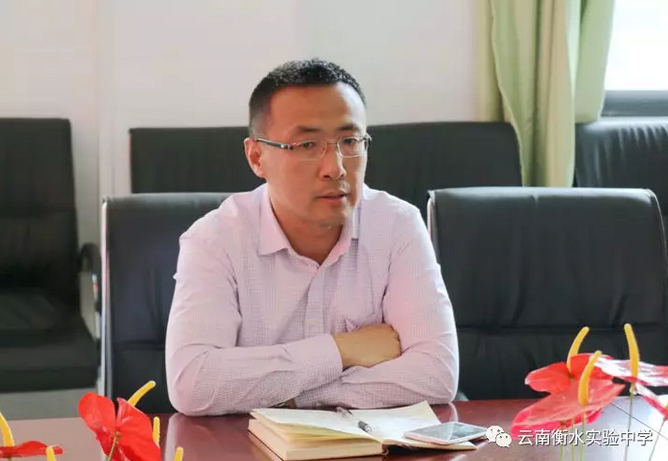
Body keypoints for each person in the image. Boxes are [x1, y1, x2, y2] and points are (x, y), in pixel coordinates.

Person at [165, 59, 459, 416]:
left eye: (349, 141)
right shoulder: (215, 239)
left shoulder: (397, 225)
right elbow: (193, 384)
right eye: (307, 145)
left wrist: (294, 396)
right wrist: (342, 350)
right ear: (256, 157)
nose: (335, 167)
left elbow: (436, 373)